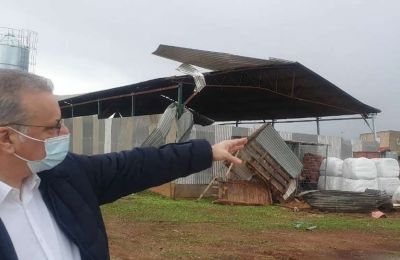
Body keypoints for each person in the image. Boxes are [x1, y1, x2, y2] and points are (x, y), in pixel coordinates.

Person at [0, 69, 247, 260]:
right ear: (7, 138)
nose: (65, 131)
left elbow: (136, 165)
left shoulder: (65, 176)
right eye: (53, 127)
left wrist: (207, 152)